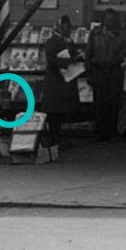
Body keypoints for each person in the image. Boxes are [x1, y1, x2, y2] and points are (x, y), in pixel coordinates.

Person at [85, 9, 126, 142]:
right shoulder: (95, 33)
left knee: (114, 103)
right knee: (99, 103)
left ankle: (112, 132)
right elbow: (88, 52)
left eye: (112, 20)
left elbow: (124, 51)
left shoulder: (120, 34)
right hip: (98, 69)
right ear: (103, 20)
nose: (109, 23)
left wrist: (118, 57)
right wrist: (89, 71)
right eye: (107, 20)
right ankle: (100, 132)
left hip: (113, 70)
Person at [42, 15, 81, 161]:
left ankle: (58, 138)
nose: (69, 30)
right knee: (54, 112)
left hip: (66, 79)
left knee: (61, 110)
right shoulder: (52, 41)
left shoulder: (68, 41)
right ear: (60, 27)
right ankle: (55, 140)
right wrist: (69, 60)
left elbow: (74, 54)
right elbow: (52, 60)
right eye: (66, 27)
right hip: (55, 81)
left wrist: (76, 57)